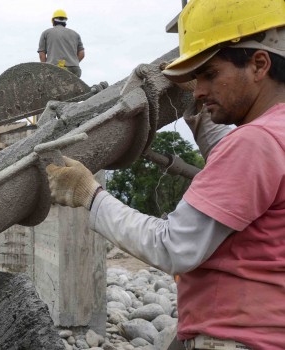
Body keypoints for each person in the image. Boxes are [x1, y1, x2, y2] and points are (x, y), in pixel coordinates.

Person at [45, 0, 285, 349]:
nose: (199, 90)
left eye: (210, 74)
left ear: (259, 65)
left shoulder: (255, 142)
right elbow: (239, 176)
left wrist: (90, 195)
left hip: (237, 338)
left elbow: (173, 246)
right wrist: (203, 112)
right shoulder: (274, 134)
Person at [38, 9, 84, 77]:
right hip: (74, 69)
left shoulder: (46, 33)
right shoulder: (75, 34)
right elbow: (82, 54)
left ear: (53, 21)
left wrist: (46, 69)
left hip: (55, 68)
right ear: (65, 22)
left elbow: (42, 55)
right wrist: (73, 62)